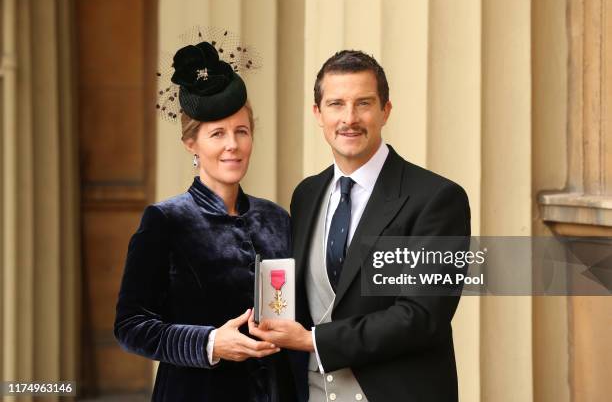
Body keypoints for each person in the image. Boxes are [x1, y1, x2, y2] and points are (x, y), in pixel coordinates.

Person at [249, 50, 471, 401]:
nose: (349, 119)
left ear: (385, 111)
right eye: (336, 104)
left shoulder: (438, 199)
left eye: (363, 103)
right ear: (318, 114)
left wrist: (312, 341)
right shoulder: (306, 194)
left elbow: (422, 316)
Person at [114, 40, 297, 401]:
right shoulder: (165, 221)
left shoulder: (277, 219)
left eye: (242, 131)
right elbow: (129, 326)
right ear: (191, 143)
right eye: (217, 133)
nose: (233, 145)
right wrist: (209, 343)